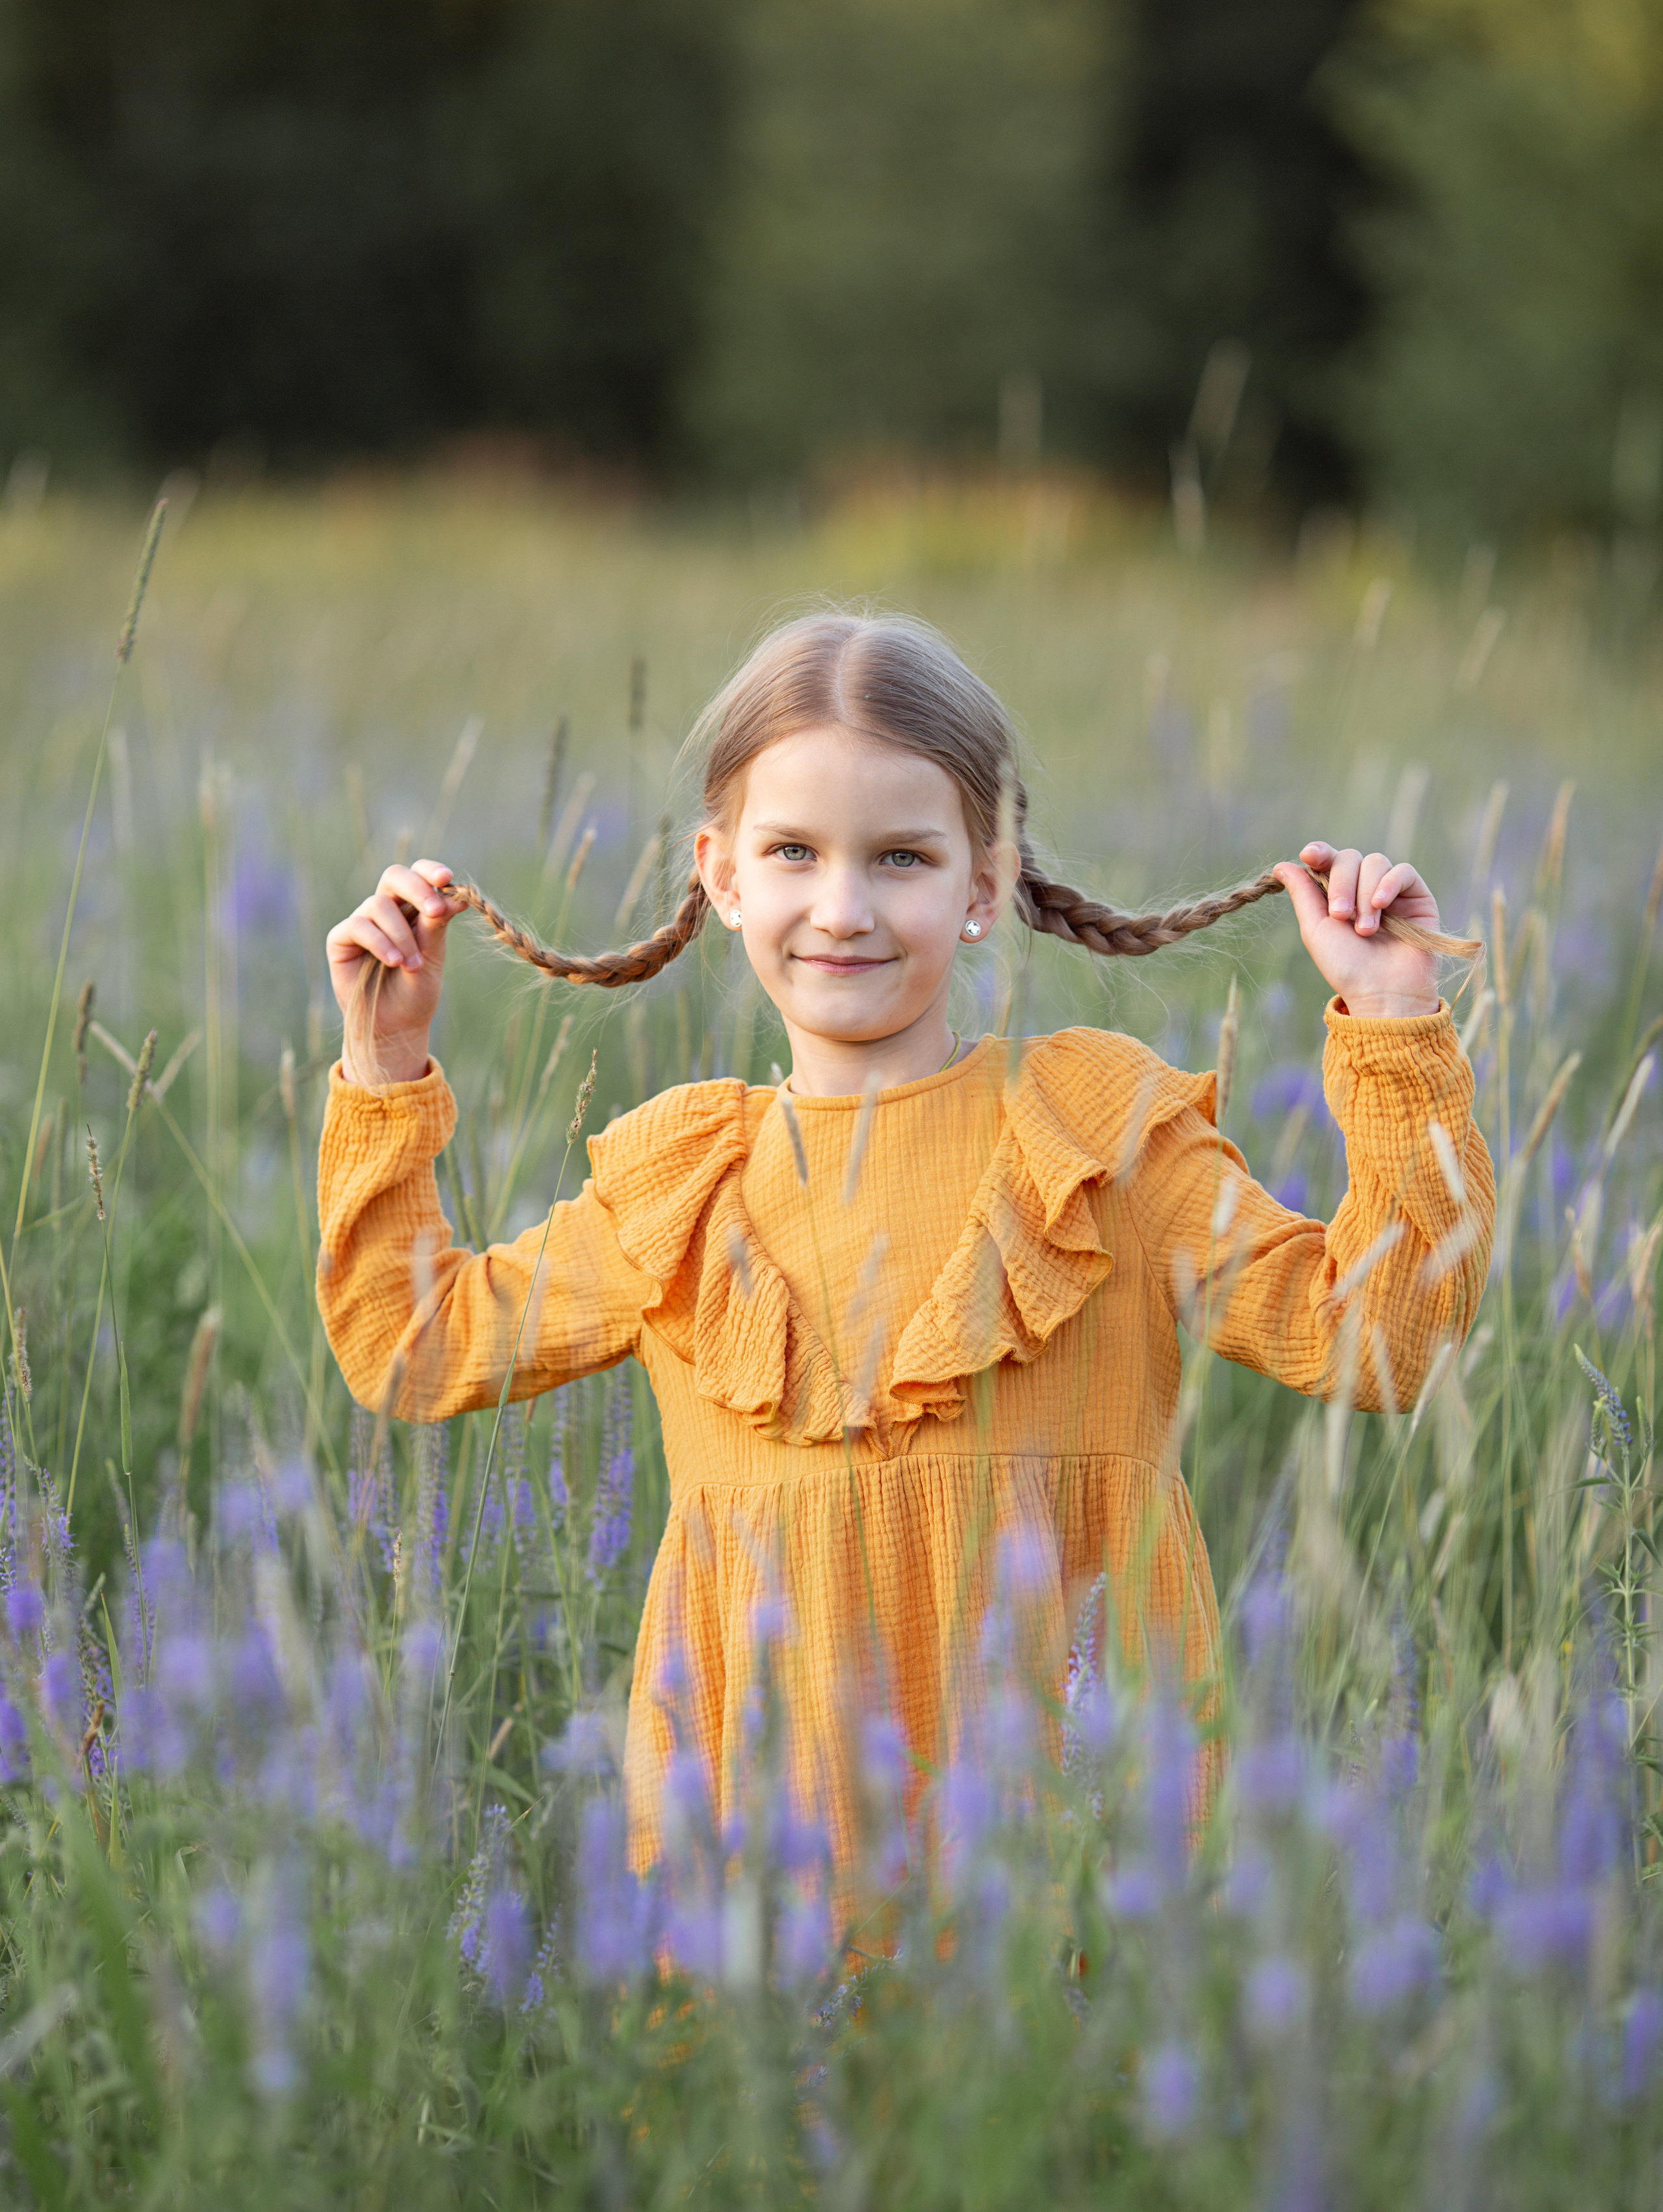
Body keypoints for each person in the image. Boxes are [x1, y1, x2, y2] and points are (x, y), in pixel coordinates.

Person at [317, 609, 1493, 1875]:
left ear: (982, 880)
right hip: (767, 1882)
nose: (840, 907)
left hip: (1077, 1861)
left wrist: (1389, 1017)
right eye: (790, 851)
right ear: (718, 875)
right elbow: (408, 1345)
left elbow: (1380, 1340)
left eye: (899, 858)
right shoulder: (683, 1190)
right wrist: (383, 1063)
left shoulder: (1098, 1139)